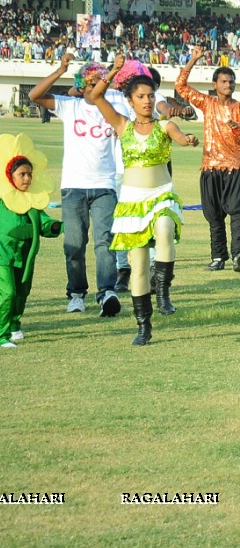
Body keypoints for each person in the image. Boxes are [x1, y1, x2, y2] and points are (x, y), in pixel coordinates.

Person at [85, 56, 200, 344]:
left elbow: (181, 137)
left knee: (164, 228)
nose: (147, 101)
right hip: (131, 201)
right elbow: (96, 95)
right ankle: (143, 327)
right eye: (141, 96)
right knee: (136, 267)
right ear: (130, 100)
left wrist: (188, 139)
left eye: (150, 95)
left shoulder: (164, 126)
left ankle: (162, 290)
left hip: (160, 194)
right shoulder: (122, 124)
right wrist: (112, 71)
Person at [28, 55, 121, 317]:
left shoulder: (112, 110)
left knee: (105, 242)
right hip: (73, 187)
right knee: (74, 245)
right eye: (91, 85)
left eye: (100, 83)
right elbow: (35, 95)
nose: (96, 89)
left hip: (105, 186)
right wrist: (61, 70)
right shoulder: (71, 106)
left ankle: (106, 292)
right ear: (81, 87)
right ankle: (77, 293)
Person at [175, 47, 240, 273]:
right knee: (214, 216)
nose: (228, 85)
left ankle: (238, 254)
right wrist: (193, 59)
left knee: (238, 213)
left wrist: (238, 127)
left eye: (231, 82)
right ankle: (218, 257)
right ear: (215, 84)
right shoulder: (207, 103)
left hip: (235, 166)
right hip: (210, 166)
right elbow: (180, 86)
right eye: (224, 81)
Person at [0, 136, 63, 348]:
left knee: (22, 291)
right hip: (3, 255)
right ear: (10, 176)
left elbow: (42, 221)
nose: (27, 178)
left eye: (29, 174)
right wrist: (33, 230)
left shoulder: (32, 201)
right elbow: (12, 228)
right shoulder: (3, 202)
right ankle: (1, 334)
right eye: (22, 174)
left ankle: (15, 323)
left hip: (25, 255)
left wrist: (57, 227)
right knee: (7, 292)